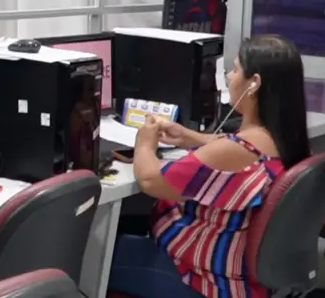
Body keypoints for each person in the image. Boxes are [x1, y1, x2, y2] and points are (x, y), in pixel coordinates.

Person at [108, 35, 311, 298]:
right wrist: (190, 137)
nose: (229, 76)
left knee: (99, 255)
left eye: (235, 70)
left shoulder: (235, 151)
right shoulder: (284, 138)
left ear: (254, 83)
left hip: (205, 282)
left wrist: (144, 142)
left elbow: (149, 179)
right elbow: (234, 148)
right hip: (244, 278)